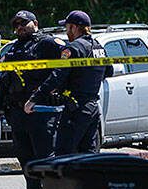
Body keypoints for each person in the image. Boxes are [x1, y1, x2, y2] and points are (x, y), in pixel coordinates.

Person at [0, 10, 64, 189]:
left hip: (42, 111)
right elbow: (5, 81)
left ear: (36, 23)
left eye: (24, 23)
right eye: (16, 25)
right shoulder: (14, 49)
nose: (19, 27)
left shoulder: (49, 43)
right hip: (18, 112)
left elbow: (65, 70)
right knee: (26, 158)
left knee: (45, 157)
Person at [28, 10, 112, 154]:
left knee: (64, 153)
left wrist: (35, 99)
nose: (66, 32)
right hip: (92, 108)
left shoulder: (73, 48)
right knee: (88, 154)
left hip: (76, 109)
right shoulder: (99, 48)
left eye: (67, 27)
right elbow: (108, 71)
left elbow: (57, 75)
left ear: (74, 27)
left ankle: (69, 178)